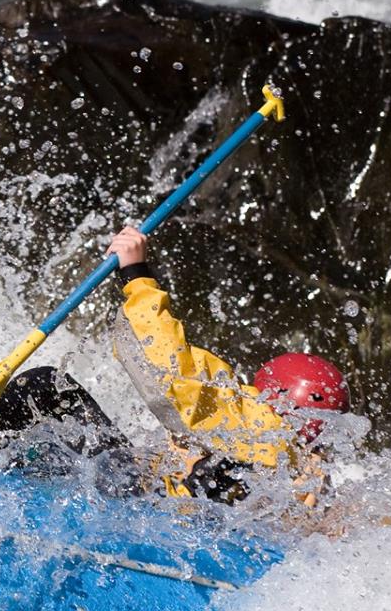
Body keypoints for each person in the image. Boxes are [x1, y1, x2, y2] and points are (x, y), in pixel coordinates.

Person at [107, 224, 350, 524]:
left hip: (159, 519)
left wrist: (136, 274)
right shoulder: (313, 478)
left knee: (41, 385)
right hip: (202, 533)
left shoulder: (260, 425)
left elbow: (168, 372)